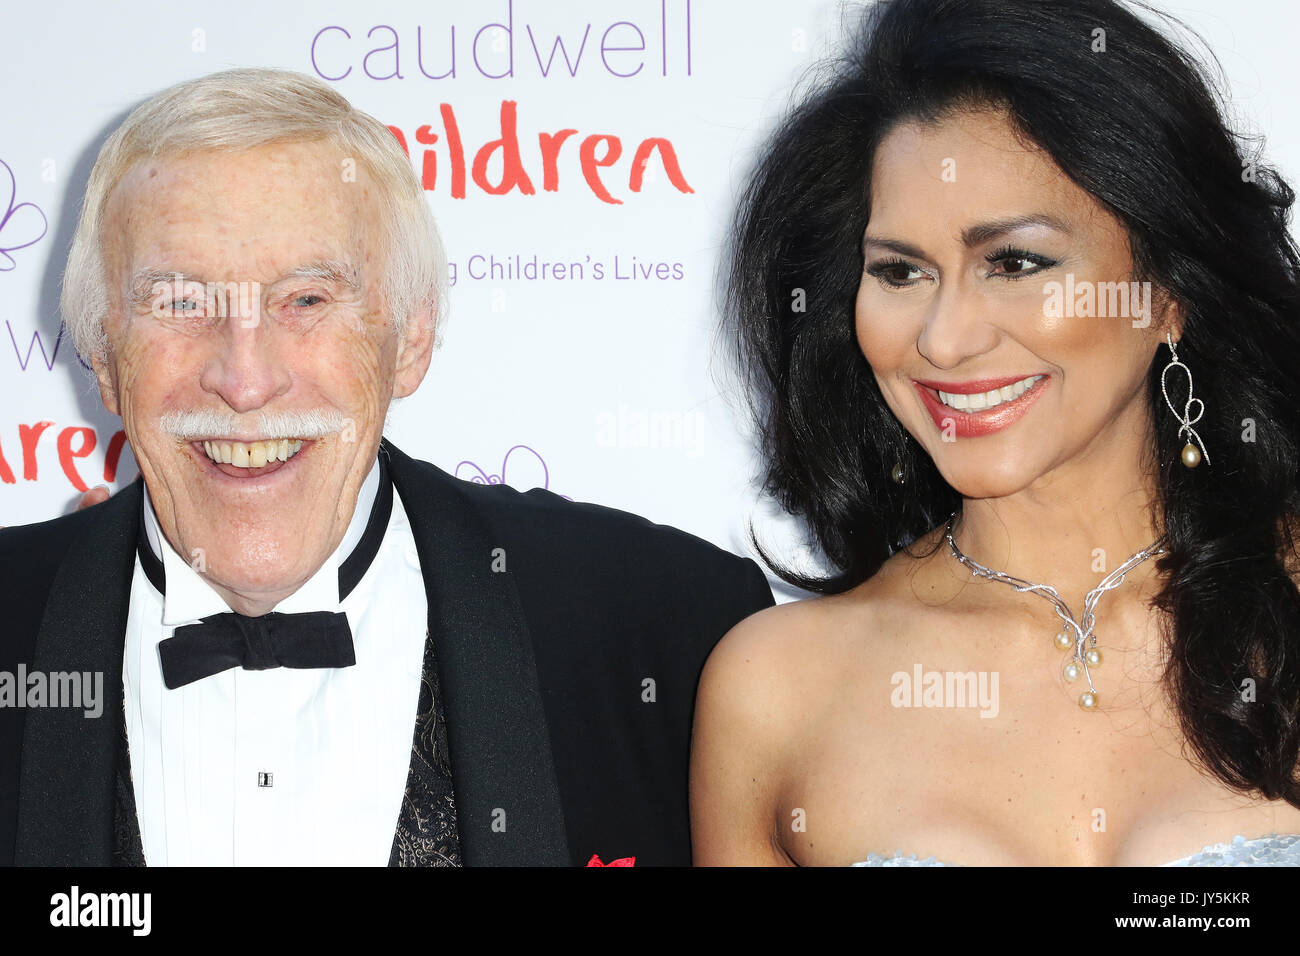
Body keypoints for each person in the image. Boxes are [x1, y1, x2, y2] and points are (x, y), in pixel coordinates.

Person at [0, 67, 773, 866]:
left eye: (305, 299)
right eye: (179, 302)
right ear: (102, 356)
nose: (244, 379)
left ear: (409, 342)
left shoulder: (672, 637)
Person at [691, 0, 1300, 866]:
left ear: (1168, 291)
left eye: (1015, 262)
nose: (944, 338)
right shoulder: (778, 689)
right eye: (900, 271)